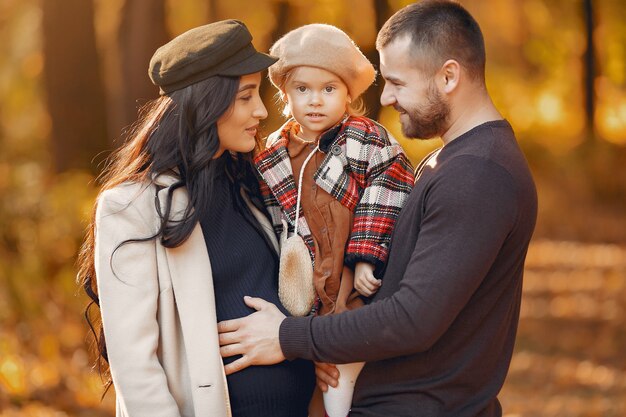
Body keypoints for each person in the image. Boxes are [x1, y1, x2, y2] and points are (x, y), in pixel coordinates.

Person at [217, 1, 538, 416]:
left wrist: (288, 336)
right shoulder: (454, 161)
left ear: (448, 76)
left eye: (398, 83)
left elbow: (411, 319)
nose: (385, 97)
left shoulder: (478, 175)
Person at [77, 20, 315, 417]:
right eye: (245, 97)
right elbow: (136, 367)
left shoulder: (256, 184)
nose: (261, 110)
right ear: (205, 104)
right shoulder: (131, 207)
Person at [254, 23, 414, 417]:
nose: (315, 101)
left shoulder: (363, 139)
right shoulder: (272, 153)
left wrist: (365, 255)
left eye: (329, 89)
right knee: (317, 382)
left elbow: (392, 182)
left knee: (341, 382)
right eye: (302, 89)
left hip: (351, 286)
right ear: (285, 94)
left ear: (348, 94)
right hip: (306, 289)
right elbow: (270, 223)